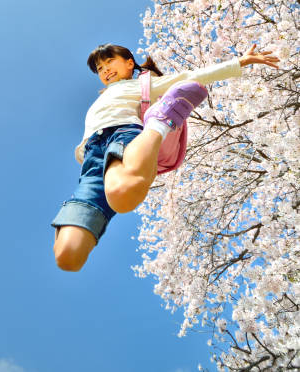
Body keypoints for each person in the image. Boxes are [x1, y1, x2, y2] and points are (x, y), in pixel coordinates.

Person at [52, 43, 280, 272]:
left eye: (110, 61)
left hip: (122, 136)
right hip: (92, 159)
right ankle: (153, 130)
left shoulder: (143, 84)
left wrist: (241, 61)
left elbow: (191, 77)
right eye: (100, 68)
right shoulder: (102, 97)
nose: (105, 70)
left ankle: (159, 124)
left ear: (129, 63)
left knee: (122, 192)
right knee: (68, 255)